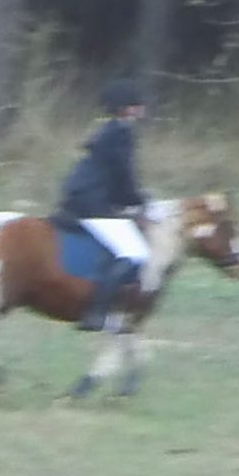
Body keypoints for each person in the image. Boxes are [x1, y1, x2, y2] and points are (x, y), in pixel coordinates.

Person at [59, 79, 153, 331]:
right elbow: (124, 178)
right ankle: (96, 312)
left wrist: (133, 200)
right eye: (137, 104)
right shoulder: (122, 134)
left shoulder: (109, 131)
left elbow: (117, 179)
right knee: (135, 253)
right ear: (127, 109)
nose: (142, 108)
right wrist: (140, 202)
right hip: (92, 202)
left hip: (84, 196)